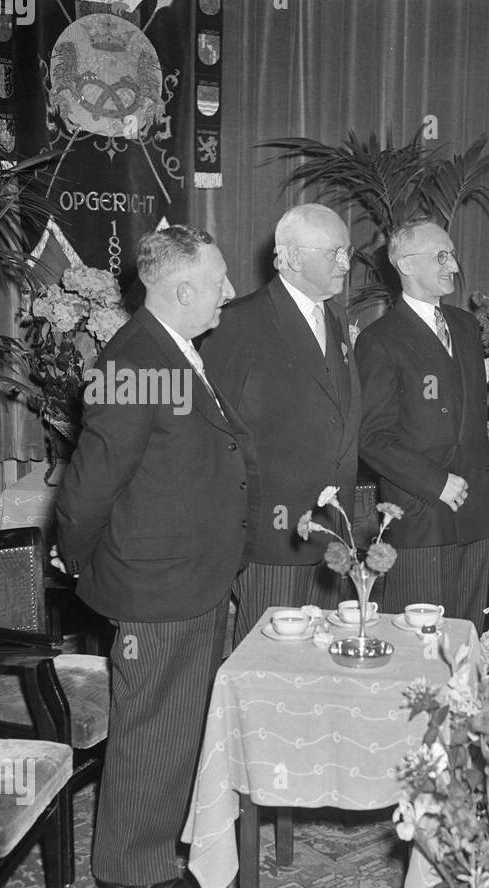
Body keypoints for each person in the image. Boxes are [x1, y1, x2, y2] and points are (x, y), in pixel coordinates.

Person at [55, 225, 260, 888]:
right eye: (219, 279)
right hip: (156, 583)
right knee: (152, 728)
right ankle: (132, 863)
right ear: (181, 289)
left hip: (191, 576)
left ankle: (160, 837)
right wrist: (87, 566)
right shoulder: (138, 358)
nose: (230, 290)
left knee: (176, 723)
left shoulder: (172, 350)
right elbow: (89, 486)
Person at [201, 203, 363, 644]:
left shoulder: (336, 317)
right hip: (273, 540)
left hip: (332, 533)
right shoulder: (238, 322)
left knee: (327, 660)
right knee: (268, 667)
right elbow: (213, 435)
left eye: (347, 252)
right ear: (290, 257)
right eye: (334, 253)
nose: (346, 264)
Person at [355, 217, 489, 628]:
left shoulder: (465, 325)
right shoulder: (380, 339)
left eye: (451, 254)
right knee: (420, 647)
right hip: (422, 516)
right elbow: (373, 437)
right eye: (440, 256)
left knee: (466, 639)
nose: (453, 265)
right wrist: (437, 483)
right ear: (405, 264)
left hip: (475, 511)